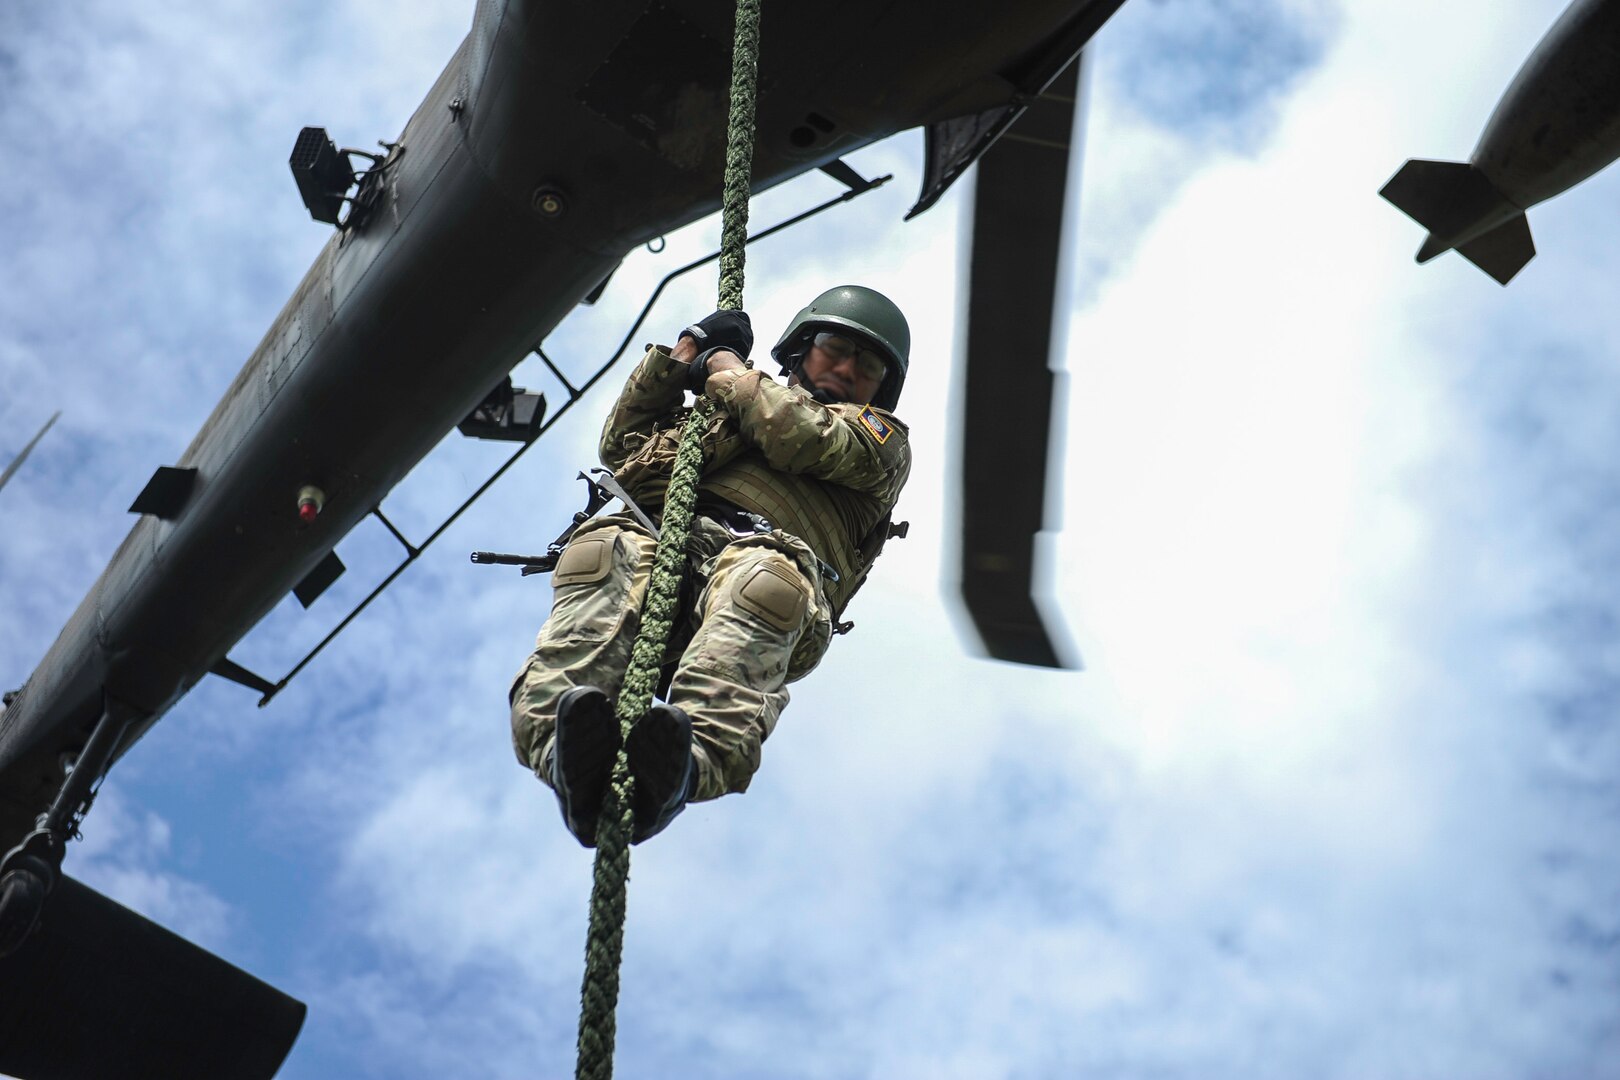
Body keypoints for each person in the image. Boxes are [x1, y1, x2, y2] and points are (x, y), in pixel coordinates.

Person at [510, 285, 912, 846]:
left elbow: (795, 433)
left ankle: (681, 767)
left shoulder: (880, 442)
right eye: (832, 349)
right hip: (658, 548)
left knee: (765, 579)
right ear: (800, 350)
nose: (846, 369)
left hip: (754, 582)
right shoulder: (720, 410)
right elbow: (623, 447)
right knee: (606, 549)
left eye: (867, 367)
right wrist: (680, 359)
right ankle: (564, 754)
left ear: (880, 390)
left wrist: (722, 366)